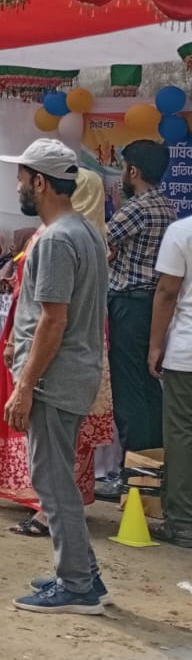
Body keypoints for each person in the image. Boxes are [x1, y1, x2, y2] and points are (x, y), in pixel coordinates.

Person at [0, 139, 109, 615]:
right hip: (66, 374)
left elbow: (53, 321)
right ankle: (80, 572)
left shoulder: (60, 239)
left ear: (40, 182)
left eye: (22, 177)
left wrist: (25, 384)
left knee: (53, 480)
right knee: (55, 476)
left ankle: (77, 583)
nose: (18, 185)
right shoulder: (81, 233)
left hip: (54, 379)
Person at [104, 139, 175, 467]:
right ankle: (153, 472)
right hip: (153, 307)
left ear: (133, 170)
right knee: (148, 390)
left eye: (123, 168)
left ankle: (132, 473)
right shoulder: (167, 206)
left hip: (128, 306)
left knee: (129, 391)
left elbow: (99, 243)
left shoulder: (136, 208)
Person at [148, 211, 192, 549]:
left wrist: (155, 345)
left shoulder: (182, 232)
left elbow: (166, 291)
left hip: (187, 352)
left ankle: (182, 521)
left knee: (181, 434)